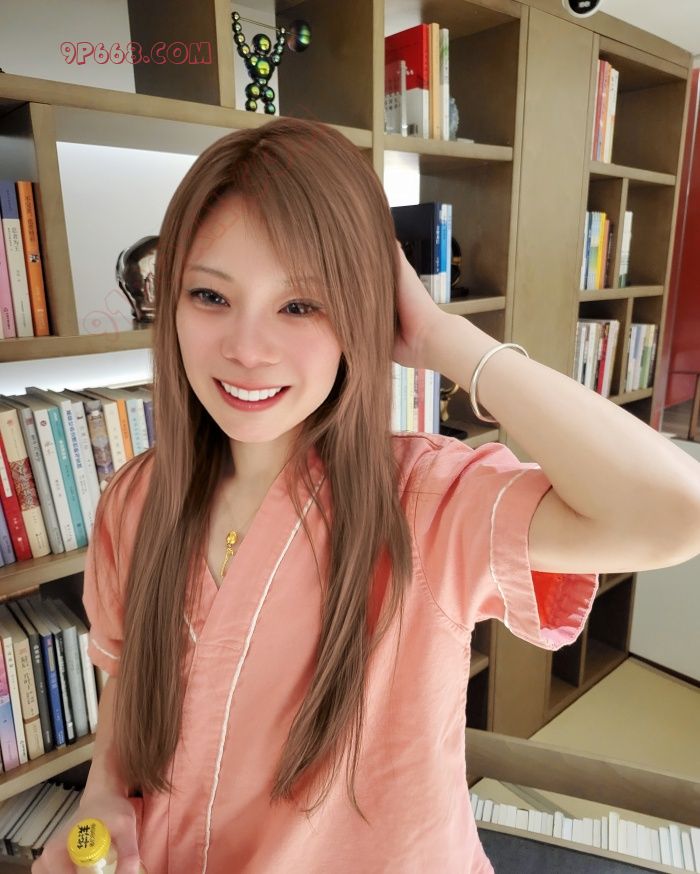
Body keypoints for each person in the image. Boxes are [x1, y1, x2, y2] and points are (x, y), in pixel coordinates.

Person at [33, 116, 700, 874]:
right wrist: (102, 796)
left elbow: (674, 514)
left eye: (301, 305)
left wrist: (445, 338)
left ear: (363, 313)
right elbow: (126, 672)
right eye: (210, 296)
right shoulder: (135, 499)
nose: (246, 349)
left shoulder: (426, 501)